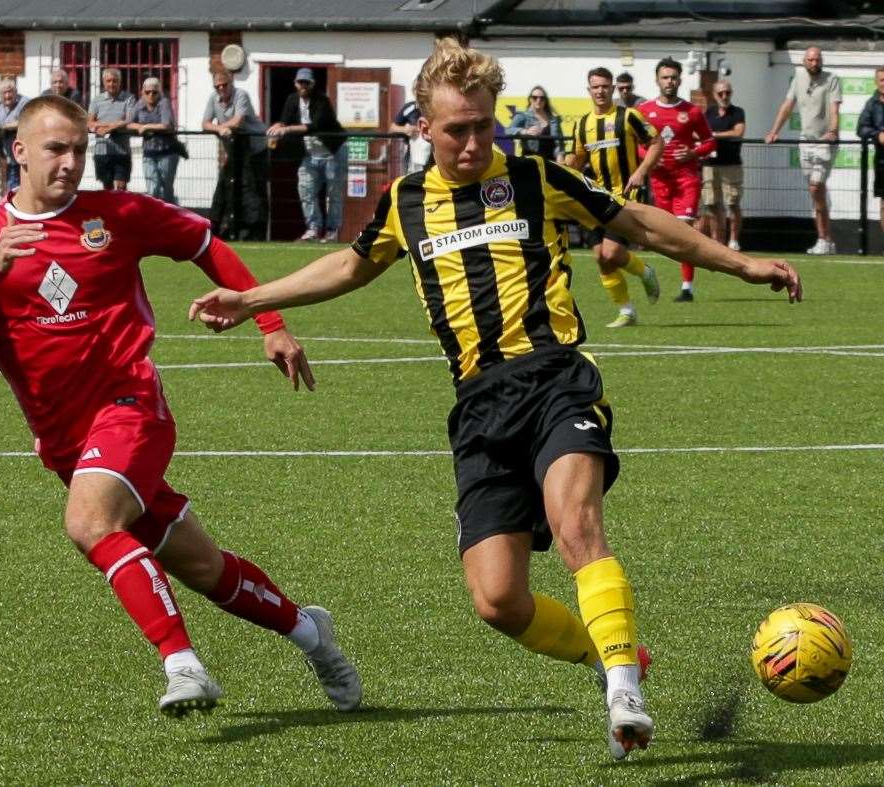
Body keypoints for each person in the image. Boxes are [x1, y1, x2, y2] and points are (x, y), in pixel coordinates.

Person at [190, 38, 801, 760]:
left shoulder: (539, 178)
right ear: (424, 126)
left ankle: (624, 691)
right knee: (498, 601)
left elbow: (636, 223)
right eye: (457, 129)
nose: (475, 141)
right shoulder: (405, 203)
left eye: (484, 125)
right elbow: (348, 268)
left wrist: (742, 262)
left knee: (576, 526)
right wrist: (252, 298)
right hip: (478, 406)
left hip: (554, 378)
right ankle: (615, 652)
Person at [0, 95, 361, 718]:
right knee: (205, 568)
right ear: (17, 151)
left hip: (130, 407)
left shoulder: (118, 214)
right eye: (55, 149)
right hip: (65, 443)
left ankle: (183, 665)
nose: (71, 163)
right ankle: (313, 634)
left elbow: (205, 243)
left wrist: (269, 320)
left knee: (89, 523)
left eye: (80, 149)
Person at [568, 67, 663, 328]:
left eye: (604, 86)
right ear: (589, 90)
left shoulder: (629, 116)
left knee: (610, 252)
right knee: (601, 256)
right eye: (595, 86)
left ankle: (645, 272)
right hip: (595, 199)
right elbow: (576, 160)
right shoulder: (583, 124)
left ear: (612, 89)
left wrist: (642, 172)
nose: (600, 91)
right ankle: (627, 311)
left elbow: (657, 143)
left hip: (624, 197)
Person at [639, 58, 715, 302]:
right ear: (657, 80)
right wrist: (650, 159)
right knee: (667, 236)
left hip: (686, 180)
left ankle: (687, 288)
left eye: (673, 77)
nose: (669, 81)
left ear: (680, 80)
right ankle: (648, 272)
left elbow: (710, 141)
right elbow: (637, 145)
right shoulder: (644, 111)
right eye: (665, 77)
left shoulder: (691, 111)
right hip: (660, 182)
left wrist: (692, 153)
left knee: (684, 230)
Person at [765, 46, 842, 255]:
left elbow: (835, 109)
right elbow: (787, 106)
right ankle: (825, 240)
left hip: (825, 142)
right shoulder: (798, 78)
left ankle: (825, 239)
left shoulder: (832, 79)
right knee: (815, 191)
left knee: (816, 188)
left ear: (821, 60)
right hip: (805, 141)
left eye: (817, 60)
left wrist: (833, 131)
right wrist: (774, 131)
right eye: (810, 60)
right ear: (804, 61)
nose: (814, 64)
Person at [268, 67, 348, 242]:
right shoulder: (292, 99)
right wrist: (278, 125)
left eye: (307, 82)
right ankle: (313, 228)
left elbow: (314, 126)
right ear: (295, 83)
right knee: (305, 189)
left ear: (313, 83)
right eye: (300, 82)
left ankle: (332, 230)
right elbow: (285, 118)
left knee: (333, 192)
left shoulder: (322, 101)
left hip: (332, 152)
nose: (303, 85)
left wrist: (287, 129)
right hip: (310, 154)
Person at [202, 70, 269, 239]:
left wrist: (223, 127)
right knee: (232, 188)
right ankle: (234, 229)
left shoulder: (241, 95)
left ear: (231, 82)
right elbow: (205, 123)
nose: (222, 88)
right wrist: (220, 128)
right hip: (235, 151)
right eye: (218, 86)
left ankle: (257, 232)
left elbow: (238, 120)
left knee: (254, 189)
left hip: (255, 150)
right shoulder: (213, 98)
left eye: (224, 84)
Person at [700, 80, 746, 251]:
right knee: (711, 204)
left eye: (727, 93)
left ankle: (733, 240)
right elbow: (701, 133)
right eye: (720, 93)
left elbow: (739, 132)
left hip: (731, 165)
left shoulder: (738, 112)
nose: (724, 96)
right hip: (710, 165)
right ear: (714, 95)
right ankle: (716, 240)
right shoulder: (709, 113)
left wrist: (715, 135)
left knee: (732, 203)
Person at [127, 77, 179, 204]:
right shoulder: (139, 104)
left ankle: (170, 217)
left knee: (166, 189)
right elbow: (128, 124)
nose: (151, 95)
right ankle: (154, 218)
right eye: (147, 92)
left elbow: (166, 124)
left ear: (159, 92)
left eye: (154, 92)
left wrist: (146, 127)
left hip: (168, 151)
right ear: (142, 92)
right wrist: (138, 126)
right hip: (149, 152)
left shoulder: (164, 102)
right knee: (152, 188)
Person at [88, 68, 134, 191]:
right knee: (106, 188)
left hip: (122, 150)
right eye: (109, 81)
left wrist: (108, 128)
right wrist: (116, 123)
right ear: (104, 82)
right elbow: (89, 123)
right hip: (102, 151)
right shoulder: (97, 100)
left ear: (120, 82)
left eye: (115, 81)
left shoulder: (129, 98)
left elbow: (129, 120)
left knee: (121, 188)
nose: (112, 84)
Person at [857, 66, 884, 244]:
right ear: (876, 82)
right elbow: (861, 128)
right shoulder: (871, 104)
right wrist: (877, 134)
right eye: (881, 80)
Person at [506, 86, 565, 162]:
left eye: (542, 98)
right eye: (535, 97)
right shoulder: (523, 116)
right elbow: (508, 131)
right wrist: (524, 131)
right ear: (530, 99)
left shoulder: (553, 119)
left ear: (545, 100)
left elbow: (560, 142)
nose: (538, 100)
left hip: (551, 162)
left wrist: (560, 156)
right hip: (530, 161)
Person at [389, 99, 432, 173]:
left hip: (434, 156)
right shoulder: (410, 107)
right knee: (412, 178)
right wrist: (404, 129)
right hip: (412, 157)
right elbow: (392, 128)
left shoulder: (437, 106)